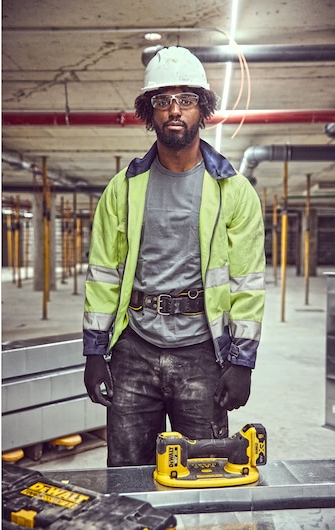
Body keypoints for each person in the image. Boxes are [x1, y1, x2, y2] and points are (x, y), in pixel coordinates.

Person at [82, 46, 266, 467]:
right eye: (162, 101)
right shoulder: (123, 189)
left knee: (204, 477)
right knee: (127, 476)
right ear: (150, 112)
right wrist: (94, 353)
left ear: (203, 108)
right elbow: (103, 276)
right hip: (134, 351)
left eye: (186, 99)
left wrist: (242, 362)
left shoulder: (233, 192)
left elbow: (246, 284)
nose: (174, 110)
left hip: (202, 353)